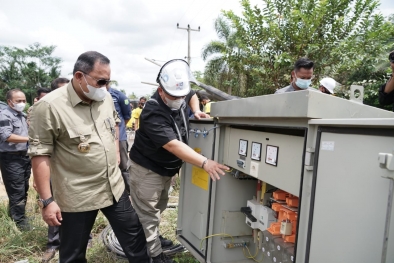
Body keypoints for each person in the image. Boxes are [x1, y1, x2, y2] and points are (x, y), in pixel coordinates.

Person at [28, 51, 150, 263]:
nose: (104, 87)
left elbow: (113, 127)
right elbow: (40, 155)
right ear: (79, 77)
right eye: (100, 81)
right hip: (77, 194)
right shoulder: (49, 107)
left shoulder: (105, 100)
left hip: (113, 186)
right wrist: (47, 201)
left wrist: (115, 157)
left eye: (108, 82)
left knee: (135, 238)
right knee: (73, 253)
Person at [129, 59, 228, 263]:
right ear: (161, 90)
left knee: (159, 207)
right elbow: (173, 145)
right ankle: (154, 255)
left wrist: (196, 109)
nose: (179, 99)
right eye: (174, 96)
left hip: (166, 170)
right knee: (148, 214)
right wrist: (204, 162)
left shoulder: (181, 95)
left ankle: (153, 239)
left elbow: (191, 95)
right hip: (147, 170)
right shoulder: (153, 111)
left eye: (181, 95)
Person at [0, 89, 31, 230]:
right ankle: (19, 223)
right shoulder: (4, 115)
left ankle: (19, 216)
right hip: (11, 158)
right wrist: (30, 139)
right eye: (18, 101)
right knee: (16, 190)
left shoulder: (21, 115)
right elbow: (7, 136)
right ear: (9, 101)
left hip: (24, 156)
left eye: (23, 100)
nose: (22, 103)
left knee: (24, 187)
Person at [106, 84, 132, 192]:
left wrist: (118, 130)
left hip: (119, 137)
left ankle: (128, 191)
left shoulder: (119, 96)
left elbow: (126, 117)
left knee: (123, 165)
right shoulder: (94, 96)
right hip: (102, 137)